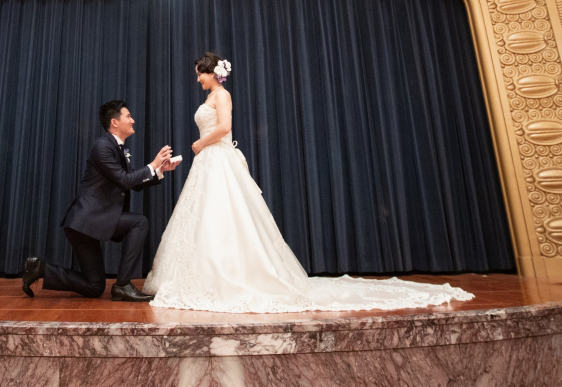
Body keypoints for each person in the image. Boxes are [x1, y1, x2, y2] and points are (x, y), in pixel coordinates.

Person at [142, 53, 474, 313]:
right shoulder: (212, 96)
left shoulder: (222, 95)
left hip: (217, 156)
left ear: (211, 73)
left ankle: (232, 276)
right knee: (205, 217)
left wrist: (201, 143)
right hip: (208, 161)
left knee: (226, 215)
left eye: (199, 73)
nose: (197, 78)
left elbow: (226, 127)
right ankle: (203, 274)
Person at [22, 100, 181, 302]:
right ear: (115, 122)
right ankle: (123, 285)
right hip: (86, 221)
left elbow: (132, 183)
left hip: (89, 223)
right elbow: (125, 180)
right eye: (128, 116)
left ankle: (40, 268)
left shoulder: (116, 147)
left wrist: (159, 171)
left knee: (94, 287)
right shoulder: (103, 146)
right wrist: (152, 164)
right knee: (139, 222)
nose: (133, 120)